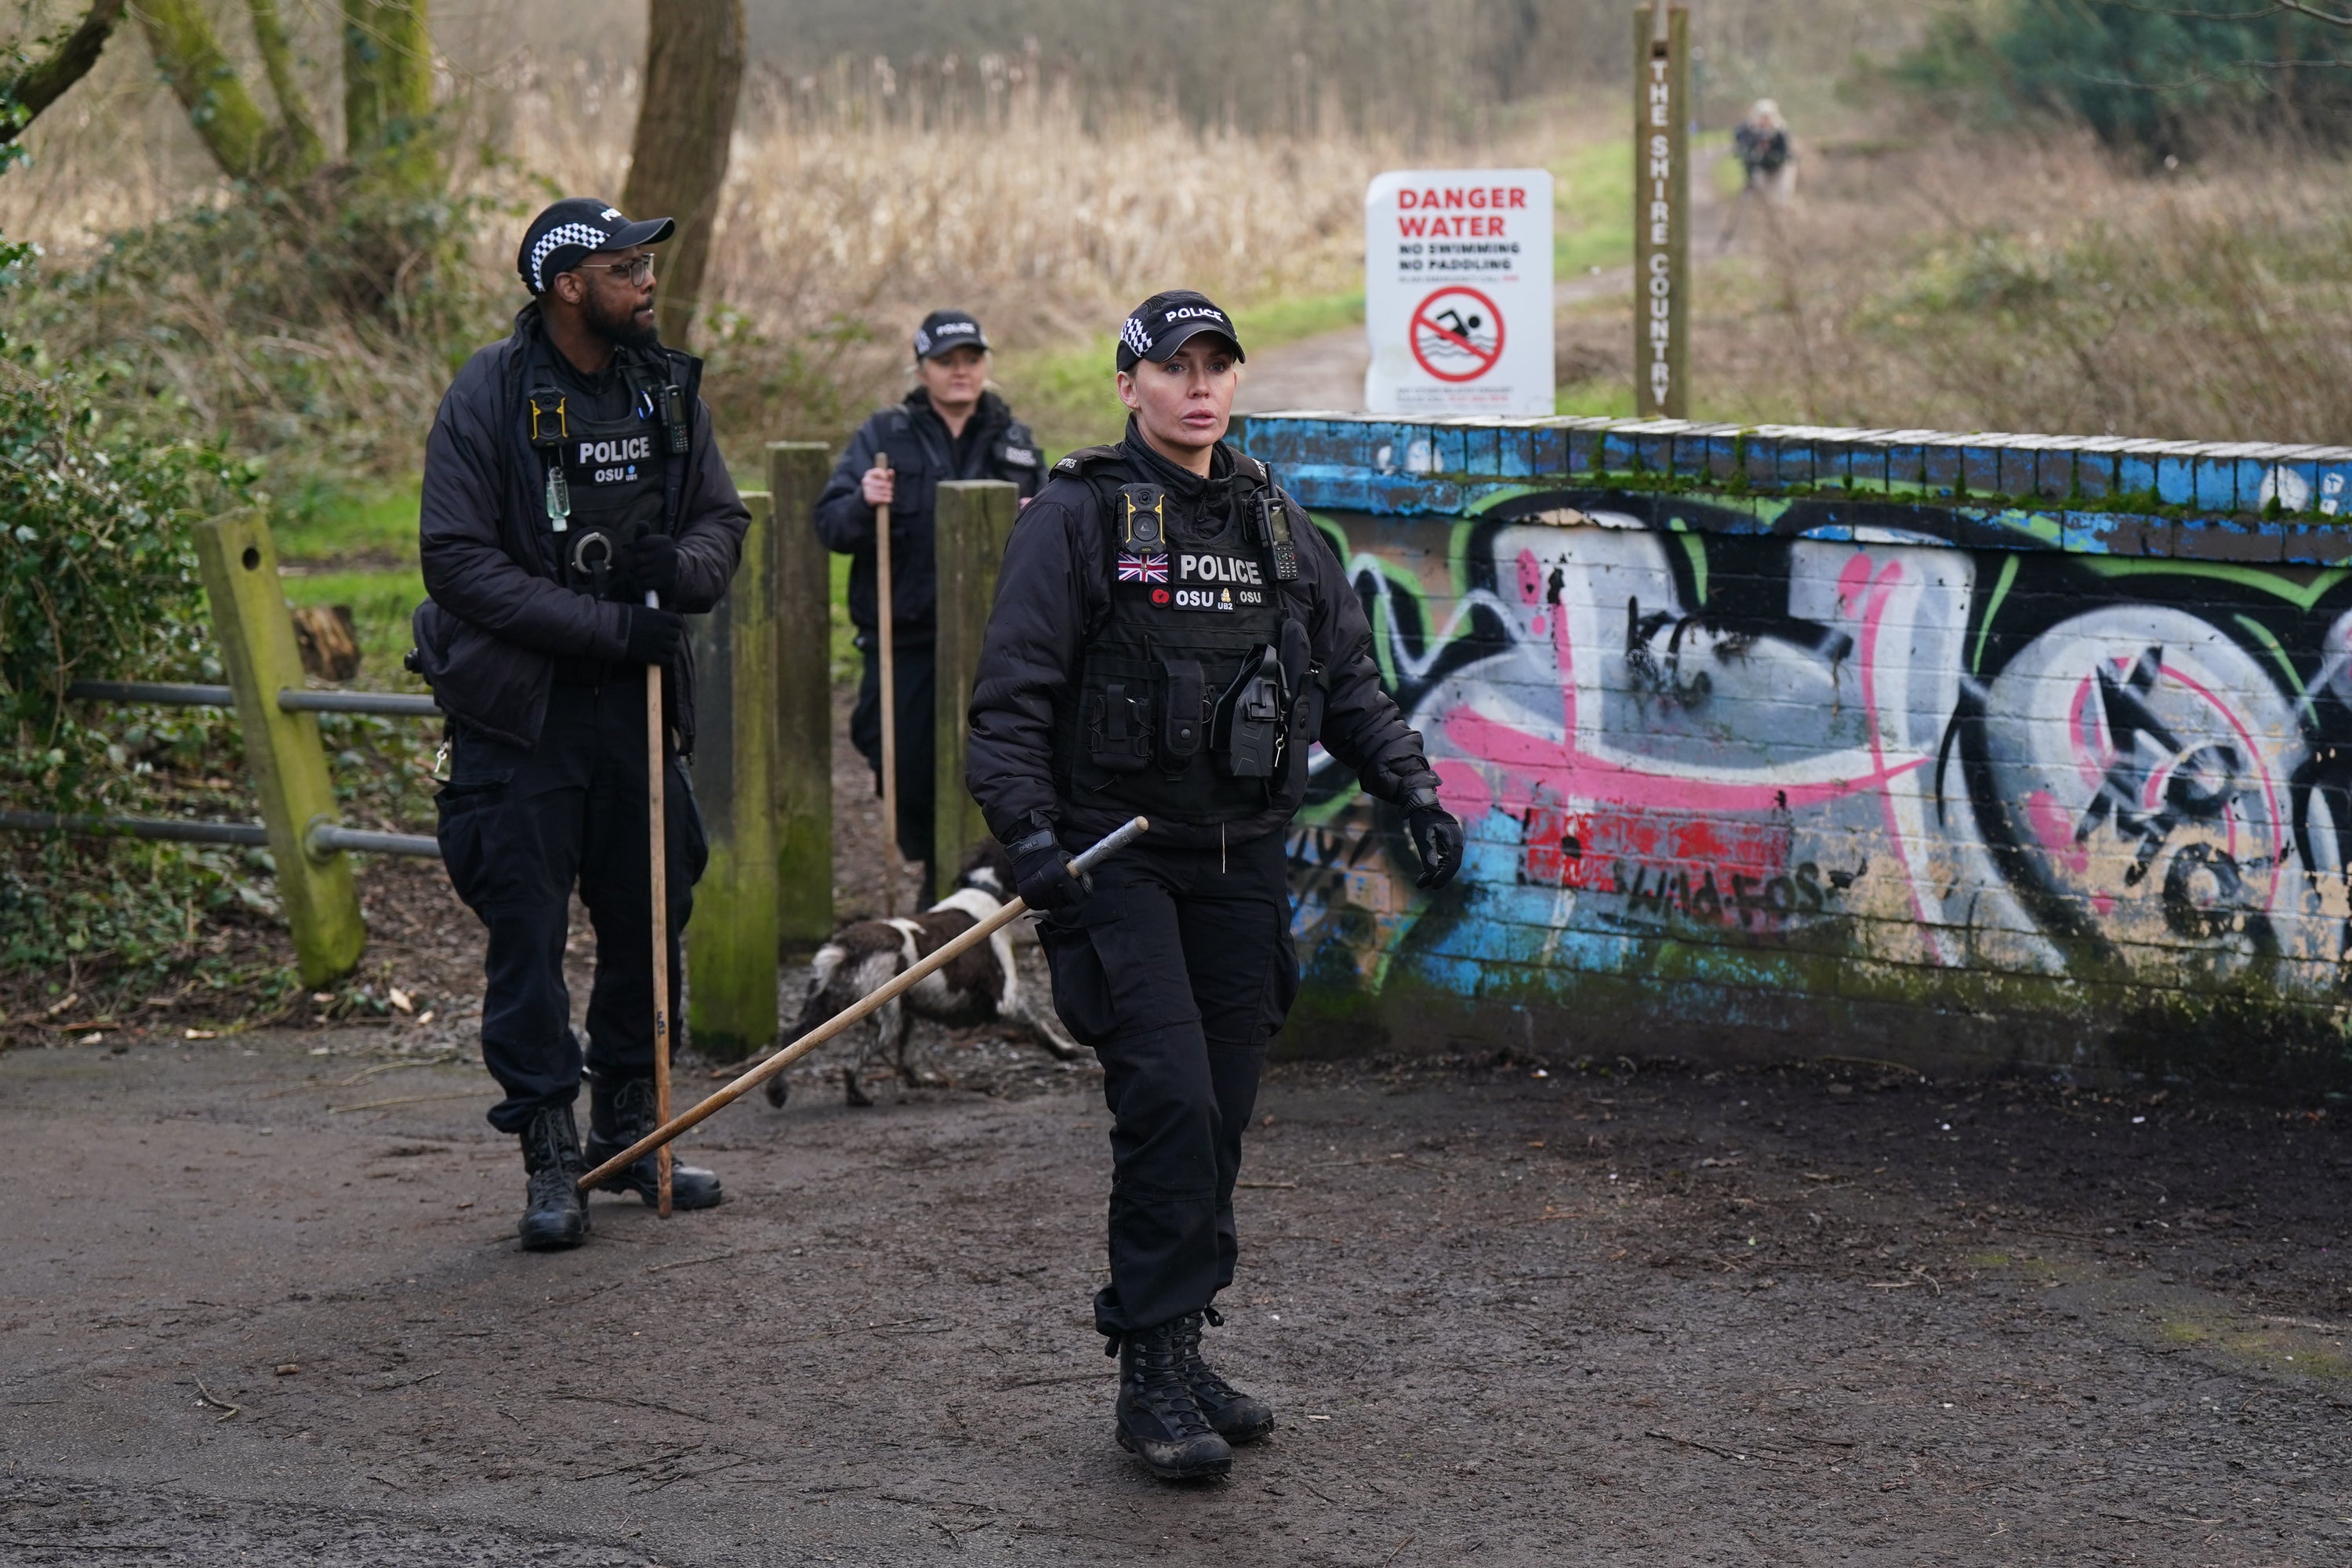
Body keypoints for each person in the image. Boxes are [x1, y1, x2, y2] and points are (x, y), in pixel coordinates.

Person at [964, 290, 1465, 1481]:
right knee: (1172, 1102)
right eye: (1175, 366)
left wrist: (1414, 791)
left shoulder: (1276, 523)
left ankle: (1183, 1341)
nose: (1200, 385)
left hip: (1244, 863)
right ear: (1129, 384)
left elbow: (1347, 679)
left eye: (1218, 365)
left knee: (1224, 1108)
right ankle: (1146, 1374)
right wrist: (1026, 836)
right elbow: (1011, 700)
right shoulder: (1076, 519)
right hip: (1114, 861)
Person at [413, 198, 749, 1250]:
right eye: (625, 267)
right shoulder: (489, 394)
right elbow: (457, 563)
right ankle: (550, 1154)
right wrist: (607, 629)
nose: (647, 282)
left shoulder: (665, 389)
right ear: (567, 286)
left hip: (637, 715)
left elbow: (719, 521)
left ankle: (631, 1133)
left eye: (648, 264)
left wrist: (680, 572)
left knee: (654, 908)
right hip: (521, 719)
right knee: (528, 934)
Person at [813, 311, 1044, 887]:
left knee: (985, 764)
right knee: (896, 757)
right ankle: (929, 854)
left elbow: (1056, 535)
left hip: (995, 639)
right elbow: (831, 525)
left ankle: (962, 882)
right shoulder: (884, 435)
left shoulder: (1015, 442)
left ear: (986, 365)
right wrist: (865, 500)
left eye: (971, 359)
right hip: (906, 637)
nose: (960, 372)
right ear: (922, 369)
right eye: (946, 362)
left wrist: (1032, 522)